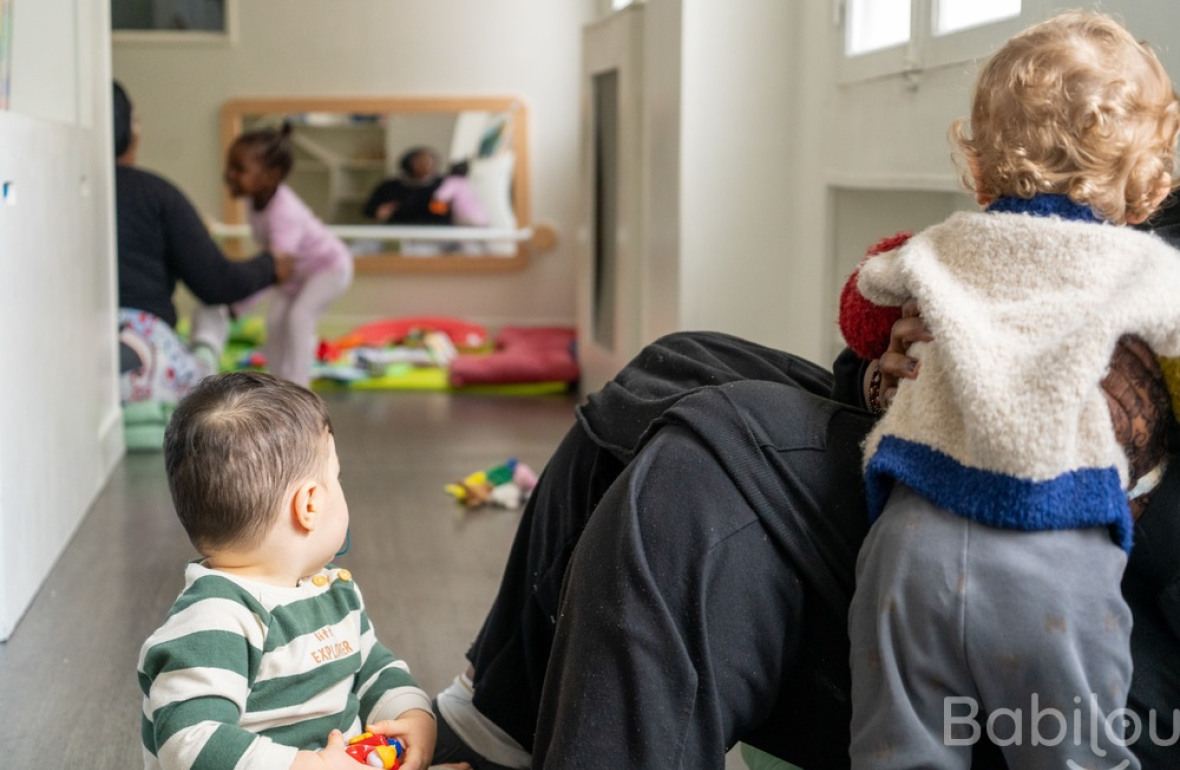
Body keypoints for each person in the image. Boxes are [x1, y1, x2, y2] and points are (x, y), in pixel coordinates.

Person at [846, 12, 1180, 769]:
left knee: (900, 754)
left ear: (978, 166)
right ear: (1148, 188)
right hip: (1056, 558)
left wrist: (882, 330)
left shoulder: (941, 244)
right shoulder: (1147, 268)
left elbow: (863, 303)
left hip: (908, 546)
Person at [137, 372, 436, 770]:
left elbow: (372, 668)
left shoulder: (333, 590)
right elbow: (189, 742)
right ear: (309, 504)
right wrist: (308, 765)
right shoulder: (214, 620)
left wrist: (412, 715)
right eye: (336, 478)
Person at [113, 81, 288, 405]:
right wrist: (270, 265)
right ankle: (206, 351)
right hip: (143, 346)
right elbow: (217, 283)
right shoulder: (154, 194)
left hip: (73, 343)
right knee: (208, 332)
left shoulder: (54, 192)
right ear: (128, 132)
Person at [223, 124, 354, 387]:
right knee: (274, 323)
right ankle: (278, 385)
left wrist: (240, 305)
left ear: (271, 175)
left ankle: (298, 387)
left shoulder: (284, 212)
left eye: (239, 169)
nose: (230, 175)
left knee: (299, 318)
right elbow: (272, 263)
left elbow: (277, 268)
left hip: (329, 268)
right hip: (296, 274)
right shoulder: (255, 202)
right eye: (230, 167)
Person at [363, 147, 488, 228]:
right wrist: (378, 211)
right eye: (420, 162)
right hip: (398, 231)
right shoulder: (390, 185)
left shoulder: (444, 184)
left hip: (436, 233)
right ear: (407, 163)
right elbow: (368, 210)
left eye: (429, 162)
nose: (426, 166)